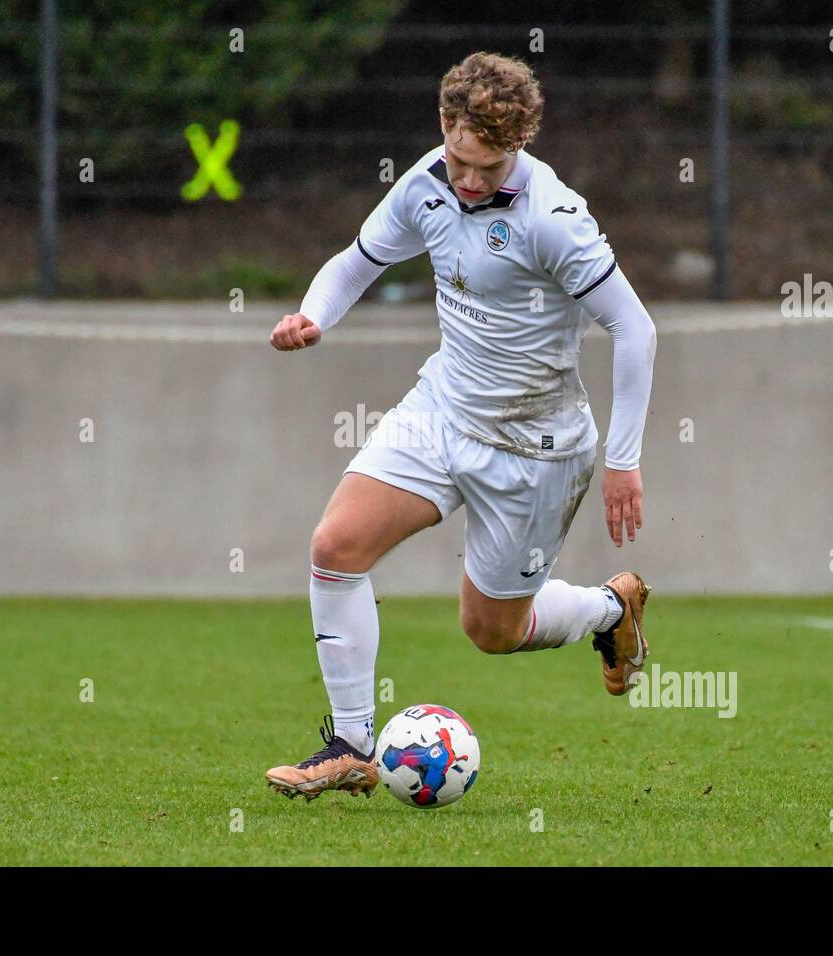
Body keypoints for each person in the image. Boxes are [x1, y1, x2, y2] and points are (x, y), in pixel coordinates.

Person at [265, 52, 657, 800]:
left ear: (520, 144)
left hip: (534, 446)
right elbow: (356, 262)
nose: (469, 180)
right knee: (336, 547)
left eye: (489, 165)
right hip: (442, 410)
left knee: (492, 632)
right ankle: (351, 744)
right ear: (443, 125)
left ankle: (613, 606)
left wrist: (623, 460)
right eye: (459, 159)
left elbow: (635, 331)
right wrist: (314, 315)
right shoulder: (426, 182)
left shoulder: (556, 219)